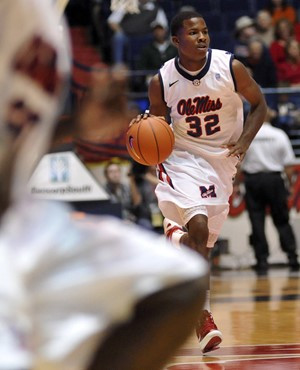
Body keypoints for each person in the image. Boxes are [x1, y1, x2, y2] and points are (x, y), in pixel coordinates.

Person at [0, 1, 209, 370]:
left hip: (19, 213)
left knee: (177, 283)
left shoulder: (45, 18)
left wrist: (78, 123)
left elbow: (16, 131)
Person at [130, 10, 267, 353]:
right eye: (194, 33)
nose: (203, 37)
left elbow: (261, 105)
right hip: (181, 158)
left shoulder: (230, 67)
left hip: (222, 162)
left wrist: (244, 142)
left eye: (205, 31)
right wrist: (143, 127)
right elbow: (157, 128)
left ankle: (173, 236)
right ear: (177, 41)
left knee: (200, 247)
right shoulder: (162, 80)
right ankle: (202, 315)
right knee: (200, 230)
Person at [240, 108, 300, 274]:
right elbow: (288, 165)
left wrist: (237, 184)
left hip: (253, 180)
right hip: (274, 180)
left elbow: (239, 162)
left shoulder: (248, 135)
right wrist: (288, 185)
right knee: (282, 220)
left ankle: (262, 260)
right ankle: (292, 257)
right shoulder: (279, 134)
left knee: (257, 221)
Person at [107, 0, 168, 65]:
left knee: (160, 38)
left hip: (146, 36)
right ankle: (118, 65)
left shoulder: (156, 8)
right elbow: (112, 21)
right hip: (127, 35)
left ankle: (156, 66)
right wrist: (120, 32)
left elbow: (163, 26)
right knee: (118, 37)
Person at [136, 21, 177, 89]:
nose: (158, 33)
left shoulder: (173, 49)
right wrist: (148, 75)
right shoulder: (147, 49)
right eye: (156, 31)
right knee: (151, 82)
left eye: (160, 30)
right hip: (153, 75)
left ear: (165, 31)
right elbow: (141, 66)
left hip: (171, 75)